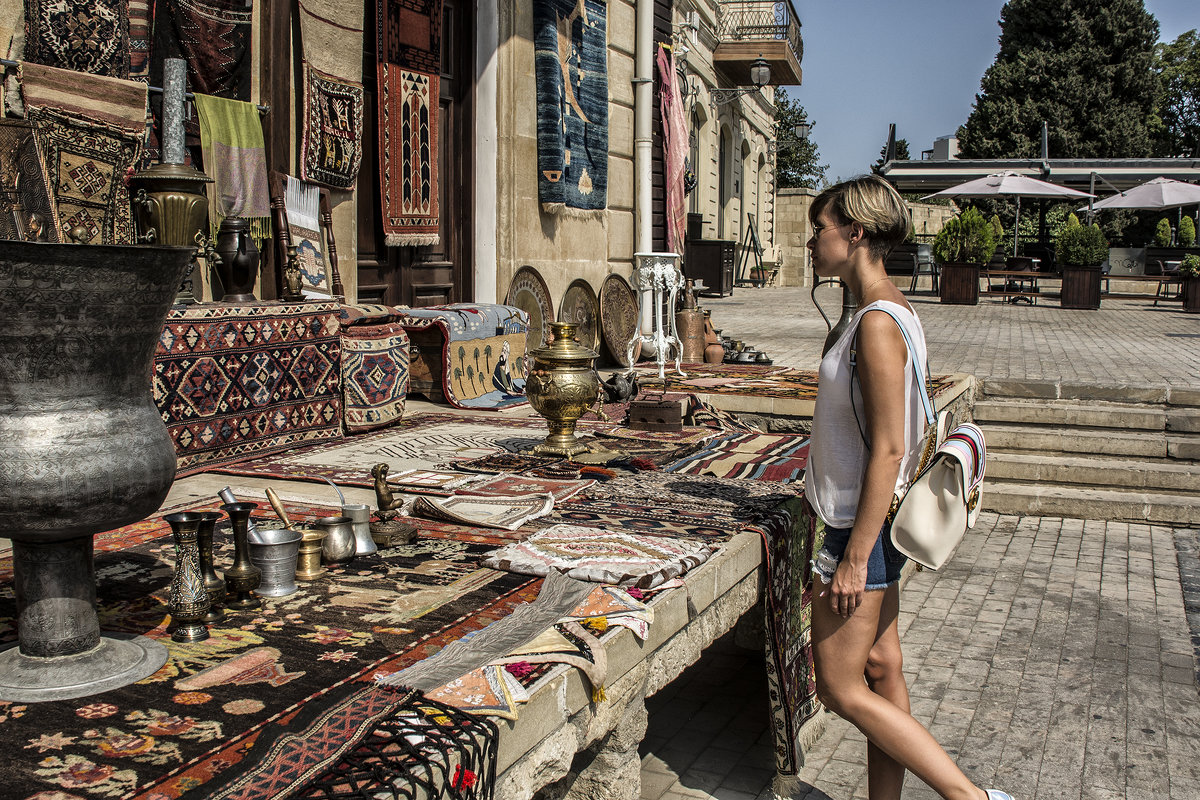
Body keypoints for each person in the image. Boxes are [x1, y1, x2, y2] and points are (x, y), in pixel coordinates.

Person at [802, 175, 1011, 800]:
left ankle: (972, 799)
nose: (812, 241)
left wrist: (855, 556)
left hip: (858, 527)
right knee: (883, 666)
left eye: (821, 228)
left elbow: (890, 447)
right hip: (873, 521)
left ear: (855, 234)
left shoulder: (876, 323)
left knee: (839, 686)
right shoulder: (891, 310)